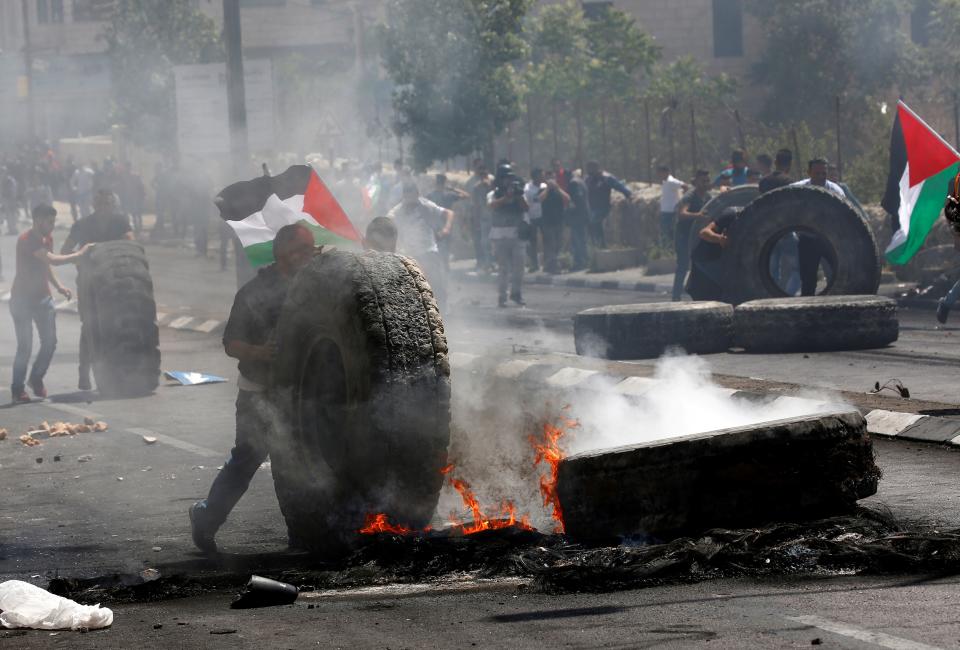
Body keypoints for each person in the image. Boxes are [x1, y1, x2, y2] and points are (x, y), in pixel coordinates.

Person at [190, 224, 317, 553]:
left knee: (297, 464)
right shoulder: (253, 293)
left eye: (311, 249)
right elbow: (230, 343)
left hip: (299, 392)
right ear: (281, 252)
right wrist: (259, 352)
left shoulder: (315, 288)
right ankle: (205, 519)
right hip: (258, 391)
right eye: (301, 250)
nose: (307, 256)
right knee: (246, 461)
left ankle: (302, 536)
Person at [10, 204, 90, 403]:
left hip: (43, 298)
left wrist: (59, 286)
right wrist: (79, 255)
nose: (52, 226)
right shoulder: (27, 240)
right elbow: (52, 259)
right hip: (22, 300)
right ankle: (17, 388)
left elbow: (46, 266)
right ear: (37, 220)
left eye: (54, 221)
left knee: (50, 342)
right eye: (50, 221)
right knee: (25, 347)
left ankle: (36, 377)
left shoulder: (48, 238)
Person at [61, 189, 134, 390]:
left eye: (108, 203)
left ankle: (115, 374)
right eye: (101, 203)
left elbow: (130, 242)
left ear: (113, 204)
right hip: (88, 282)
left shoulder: (120, 222)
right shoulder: (82, 225)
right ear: (94, 205)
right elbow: (65, 251)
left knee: (116, 325)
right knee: (89, 327)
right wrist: (82, 257)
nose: (105, 208)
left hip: (116, 283)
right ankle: (84, 372)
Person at [387, 182, 454, 308]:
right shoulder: (398, 210)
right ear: (404, 196)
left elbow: (449, 213)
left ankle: (442, 311)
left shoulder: (426, 205)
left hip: (429, 250)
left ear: (417, 195)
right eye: (407, 197)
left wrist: (446, 228)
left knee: (436, 283)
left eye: (413, 197)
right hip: (409, 253)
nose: (410, 201)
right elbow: (388, 219)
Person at [791, 158, 844, 296]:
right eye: (817, 173)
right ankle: (806, 310)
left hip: (830, 240)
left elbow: (846, 217)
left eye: (823, 173)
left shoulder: (836, 191)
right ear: (809, 172)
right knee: (808, 279)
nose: (821, 177)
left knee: (841, 273)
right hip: (807, 239)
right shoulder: (797, 189)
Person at [488, 163, 529, 307]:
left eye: (510, 178)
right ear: (500, 180)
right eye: (505, 178)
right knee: (503, 269)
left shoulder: (519, 192)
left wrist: (518, 196)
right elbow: (492, 206)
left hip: (517, 235)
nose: (508, 181)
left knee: (519, 268)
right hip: (500, 236)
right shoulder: (494, 193)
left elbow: (526, 208)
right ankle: (502, 296)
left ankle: (516, 294)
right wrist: (506, 197)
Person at [672, 170, 714, 302]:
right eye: (703, 181)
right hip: (683, 236)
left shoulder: (708, 197)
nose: (706, 183)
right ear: (696, 182)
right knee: (683, 266)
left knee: (699, 265)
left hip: (697, 237)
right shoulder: (690, 196)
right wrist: (698, 216)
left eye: (708, 180)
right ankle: (676, 297)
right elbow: (682, 214)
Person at [687, 206, 740, 302]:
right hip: (705, 260)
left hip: (715, 260)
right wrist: (719, 238)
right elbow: (704, 232)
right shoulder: (731, 214)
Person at [584, 161, 632, 248]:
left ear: (596, 168)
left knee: (595, 222)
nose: (589, 171)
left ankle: (601, 245)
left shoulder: (606, 177)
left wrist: (628, 194)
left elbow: (619, 186)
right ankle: (595, 246)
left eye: (591, 168)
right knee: (589, 225)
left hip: (603, 206)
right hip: (591, 207)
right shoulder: (588, 179)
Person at [426, 174, 468, 271]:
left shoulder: (430, 195)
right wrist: (453, 189)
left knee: (434, 248)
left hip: (434, 226)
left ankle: (437, 269)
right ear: (444, 183)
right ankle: (444, 268)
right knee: (445, 249)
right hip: (447, 225)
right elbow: (466, 195)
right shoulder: (449, 195)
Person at [540, 170, 570, 274]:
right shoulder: (543, 188)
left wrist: (557, 188)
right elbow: (540, 199)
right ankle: (553, 266)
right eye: (549, 178)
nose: (551, 180)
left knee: (559, 244)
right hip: (547, 221)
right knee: (551, 244)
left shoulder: (558, 190)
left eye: (552, 177)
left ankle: (551, 263)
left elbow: (567, 198)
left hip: (559, 220)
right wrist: (548, 188)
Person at [466, 160, 493, 271]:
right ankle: (481, 261)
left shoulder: (492, 179)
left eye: (483, 167)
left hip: (493, 215)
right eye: (479, 168)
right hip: (478, 214)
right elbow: (471, 200)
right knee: (480, 240)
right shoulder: (471, 182)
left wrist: (488, 184)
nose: (481, 170)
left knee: (490, 240)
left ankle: (491, 262)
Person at [657, 164, 687, 247]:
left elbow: (685, 186)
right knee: (664, 232)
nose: (659, 175)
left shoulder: (672, 181)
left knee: (669, 232)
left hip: (671, 211)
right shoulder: (665, 181)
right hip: (665, 210)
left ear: (666, 172)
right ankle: (666, 249)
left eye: (660, 173)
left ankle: (669, 249)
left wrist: (683, 199)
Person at [566, 172, 591, 271]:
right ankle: (585, 261)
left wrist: (571, 208)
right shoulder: (581, 181)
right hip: (583, 215)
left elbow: (578, 197)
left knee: (577, 240)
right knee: (582, 239)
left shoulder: (574, 183)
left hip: (577, 216)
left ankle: (579, 263)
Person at [524, 168, 547, 271]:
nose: (543, 177)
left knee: (547, 240)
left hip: (544, 217)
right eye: (541, 175)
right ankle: (534, 264)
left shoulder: (544, 186)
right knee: (532, 242)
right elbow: (530, 202)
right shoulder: (528, 188)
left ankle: (547, 263)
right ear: (535, 176)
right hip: (532, 217)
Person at [1, 167, 20, 235]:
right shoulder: (3, 180)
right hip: (5, 200)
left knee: (12, 215)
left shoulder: (10, 180)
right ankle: (11, 229)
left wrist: (12, 198)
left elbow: (13, 190)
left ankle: (13, 229)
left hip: (11, 199)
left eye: (3, 172)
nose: (2, 174)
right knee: (8, 215)